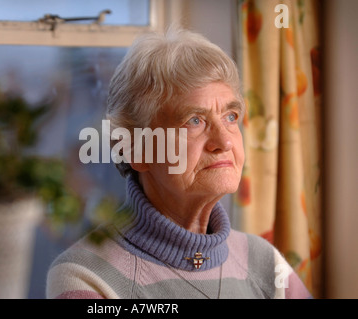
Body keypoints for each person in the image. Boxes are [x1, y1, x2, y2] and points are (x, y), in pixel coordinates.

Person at [46, 27, 312, 299]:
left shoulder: (265, 263)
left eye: (230, 116)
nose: (225, 141)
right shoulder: (85, 276)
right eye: (194, 121)